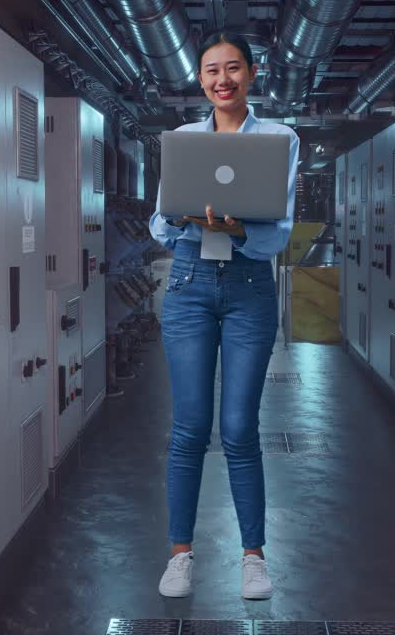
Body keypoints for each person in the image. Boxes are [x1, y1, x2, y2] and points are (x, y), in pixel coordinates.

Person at [148, 31, 300, 600]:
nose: (222, 80)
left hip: (248, 287)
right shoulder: (184, 140)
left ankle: (254, 557)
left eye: (233, 68)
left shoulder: (279, 137)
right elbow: (159, 226)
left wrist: (238, 229)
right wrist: (187, 219)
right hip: (188, 283)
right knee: (189, 427)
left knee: (239, 429)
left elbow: (279, 230)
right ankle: (180, 555)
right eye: (212, 70)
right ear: (201, 79)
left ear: (252, 73)